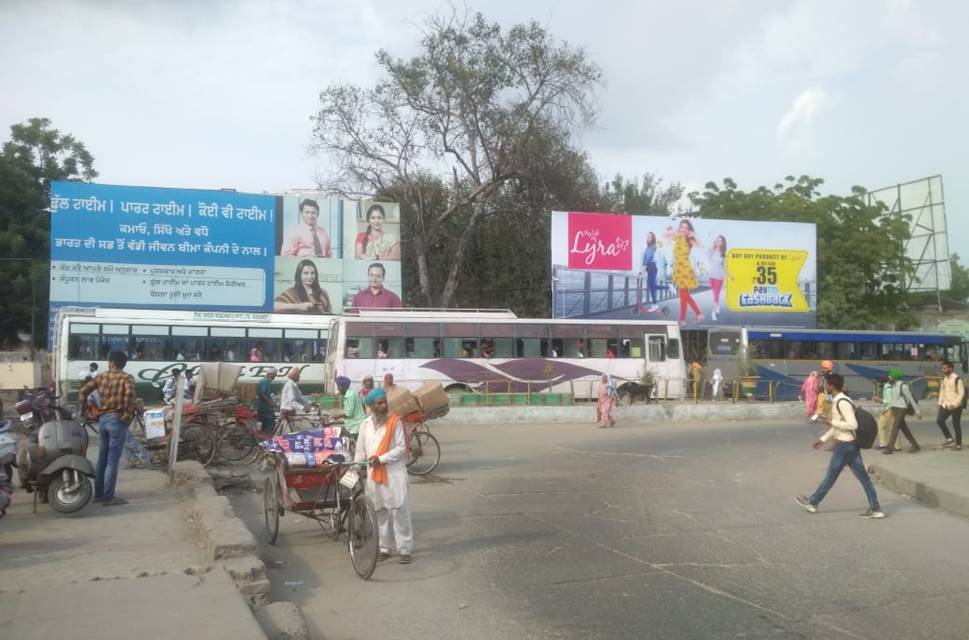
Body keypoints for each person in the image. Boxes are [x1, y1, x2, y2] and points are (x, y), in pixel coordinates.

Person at [795, 373, 885, 519]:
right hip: (850, 445)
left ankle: (813, 502)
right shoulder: (839, 400)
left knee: (831, 476)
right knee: (863, 478)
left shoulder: (841, 402)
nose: (823, 386)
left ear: (831, 385)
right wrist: (823, 439)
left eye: (825, 384)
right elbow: (838, 426)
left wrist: (831, 422)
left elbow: (852, 425)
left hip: (845, 445)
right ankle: (875, 508)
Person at [354, 388, 414, 563]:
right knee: (379, 512)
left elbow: (402, 448)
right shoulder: (364, 425)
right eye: (379, 403)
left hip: (394, 474)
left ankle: (405, 550)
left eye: (384, 402)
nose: (383, 405)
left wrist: (381, 458)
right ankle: (384, 548)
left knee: (399, 512)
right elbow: (360, 451)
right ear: (371, 406)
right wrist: (356, 467)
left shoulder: (395, 422)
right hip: (374, 475)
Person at [79, 350, 138, 506]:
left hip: (103, 420)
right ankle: (108, 496)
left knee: (102, 458)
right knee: (112, 460)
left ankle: (98, 494)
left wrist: (86, 409)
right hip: (117, 420)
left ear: (111, 362)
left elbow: (83, 391)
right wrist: (126, 416)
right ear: (123, 363)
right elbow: (129, 401)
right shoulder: (127, 378)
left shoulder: (101, 377)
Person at [666, 220, 703, 326]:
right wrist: (671, 231)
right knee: (684, 295)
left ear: (689, 229)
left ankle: (684, 319)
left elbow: (701, 245)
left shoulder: (689, 240)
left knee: (683, 295)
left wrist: (694, 235)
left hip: (685, 269)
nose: (683, 229)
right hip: (678, 269)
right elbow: (665, 236)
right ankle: (697, 315)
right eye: (681, 227)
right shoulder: (678, 237)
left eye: (686, 227)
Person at [882, 368, 922, 455]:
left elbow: (911, 399)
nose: (889, 378)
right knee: (904, 429)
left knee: (894, 428)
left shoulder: (903, 386)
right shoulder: (893, 386)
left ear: (895, 377)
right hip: (895, 409)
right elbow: (892, 400)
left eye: (891, 376)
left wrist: (917, 412)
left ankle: (889, 448)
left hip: (901, 409)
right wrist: (886, 409)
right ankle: (915, 446)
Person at [936, 360, 965, 450]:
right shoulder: (944, 379)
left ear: (951, 368)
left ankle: (958, 445)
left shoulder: (957, 379)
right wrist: (940, 402)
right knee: (940, 420)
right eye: (942, 368)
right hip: (945, 404)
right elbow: (942, 391)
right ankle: (949, 439)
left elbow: (962, 393)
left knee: (956, 424)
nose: (943, 370)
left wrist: (955, 404)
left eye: (945, 368)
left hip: (956, 406)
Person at [637, 231, 660, 314]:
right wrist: (642, 269)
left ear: (653, 238)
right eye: (647, 236)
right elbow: (644, 259)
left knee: (651, 286)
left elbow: (650, 258)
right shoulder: (647, 248)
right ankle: (654, 304)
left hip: (652, 267)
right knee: (651, 286)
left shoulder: (654, 247)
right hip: (648, 268)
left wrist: (644, 267)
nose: (647, 238)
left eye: (649, 237)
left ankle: (655, 305)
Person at [875, 376, 900, 451]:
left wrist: (884, 408)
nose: (877, 384)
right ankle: (886, 444)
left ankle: (896, 445)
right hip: (889, 409)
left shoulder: (888, 389)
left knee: (890, 427)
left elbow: (889, 402)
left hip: (890, 410)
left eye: (878, 382)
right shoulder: (887, 388)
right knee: (884, 426)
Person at [707, 235, 728, 321]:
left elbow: (724, 267)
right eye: (717, 240)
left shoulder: (723, 254)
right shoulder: (712, 251)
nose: (718, 241)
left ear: (723, 243)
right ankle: (717, 305)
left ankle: (713, 312)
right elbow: (706, 254)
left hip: (719, 276)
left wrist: (729, 276)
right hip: (711, 275)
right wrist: (713, 246)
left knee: (716, 295)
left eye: (720, 240)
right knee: (714, 294)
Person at [256, 368, 278, 434]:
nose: (274, 377)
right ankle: (267, 439)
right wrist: (271, 403)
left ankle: (263, 439)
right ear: (270, 374)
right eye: (274, 375)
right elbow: (263, 394)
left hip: (261, 407)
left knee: (263, 425)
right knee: (270, 423)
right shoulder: (265, 381)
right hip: (264, 408)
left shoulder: (264, 381)